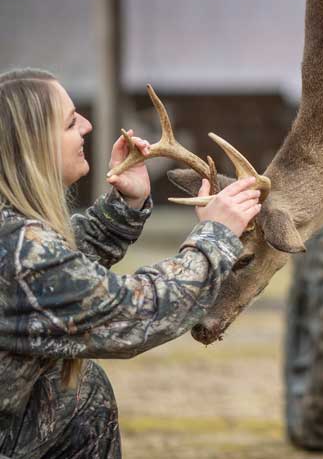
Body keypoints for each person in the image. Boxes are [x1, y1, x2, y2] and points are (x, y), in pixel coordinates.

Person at [0, 68, 261, 459]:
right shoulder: (19, 251)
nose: (87, 126)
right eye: (71, 122)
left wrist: (125, 206)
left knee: (78, 394)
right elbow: (136, 312)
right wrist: (216, 237)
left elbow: (59, 274)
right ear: (33, 144)